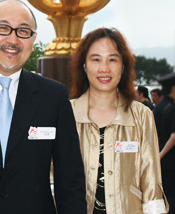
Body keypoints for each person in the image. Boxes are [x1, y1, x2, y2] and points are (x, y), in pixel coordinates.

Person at [0, 0, 87, 214]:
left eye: (23, 31)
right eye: (3, 28)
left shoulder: (53, 96)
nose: (13, 39)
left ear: (33, 39)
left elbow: (70, 178)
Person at [70, 28, 167, 214]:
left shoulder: (141, 115)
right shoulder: (66, 113)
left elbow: (151, 178)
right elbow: (51, 174)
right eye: (96, 59)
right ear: (84, 65)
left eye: (112, 59)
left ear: (123, 67)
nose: (104, 68)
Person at [154, 71, 175, 214]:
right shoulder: (174, 109)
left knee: (164, 198)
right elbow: (174, 137)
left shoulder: (158, 108)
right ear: (174, 88)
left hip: (161, 161)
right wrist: (161, 155)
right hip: (174, 161)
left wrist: (157, 156)